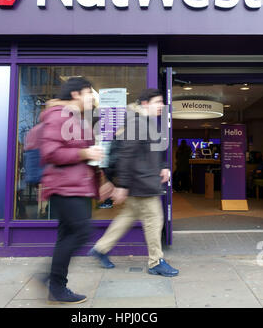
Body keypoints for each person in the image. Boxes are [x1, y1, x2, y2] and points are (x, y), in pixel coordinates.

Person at [89, 88, 179, 277]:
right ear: (145, 104)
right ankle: (156, 262)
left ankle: (101, 249)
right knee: (154, 221)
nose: (161, 105)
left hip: (140, 182)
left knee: (126, 217)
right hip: (141, 183)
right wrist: (121, 185)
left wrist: (163, 165)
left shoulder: (146, 122)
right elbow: (126, 155)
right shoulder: (137, 123)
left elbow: (152, 150)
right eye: (157, 102)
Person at [39, 77, 104, 304]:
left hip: (76, 186)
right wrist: (85, 154)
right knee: (80, 233)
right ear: (76, 94)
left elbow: (80, 150)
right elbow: (50, 153)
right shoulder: (59, 115)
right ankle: (53, 281)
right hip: (65, 187)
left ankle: (53, 283)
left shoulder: (75, 118)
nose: (92, 99)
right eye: (89, 93)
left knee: (68, 235)